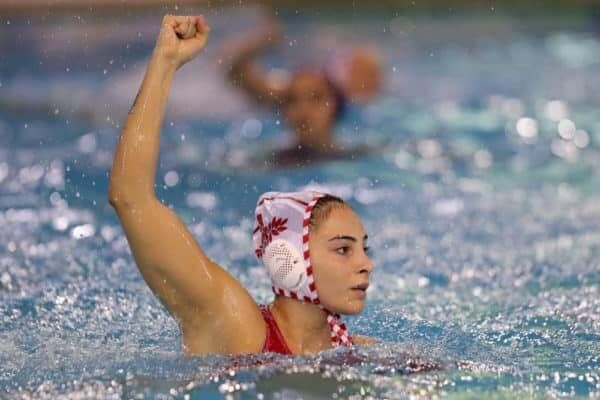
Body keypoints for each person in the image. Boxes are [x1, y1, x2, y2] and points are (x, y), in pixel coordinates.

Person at [108, 15, 375, 356]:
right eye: (343, 250)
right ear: (290, 258)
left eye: (363, 249)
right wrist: (165, 62)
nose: (366, 264)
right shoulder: (235, 325)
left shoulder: (349, 348)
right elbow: (130, 197)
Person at [225, 16, 382, 167]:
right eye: (292, 100)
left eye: (316, 98)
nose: (303, 109)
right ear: (284, 112)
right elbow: (236, 72)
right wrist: (265, 40)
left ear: (335, 105)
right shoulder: (271, 160)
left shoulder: (361, 155)